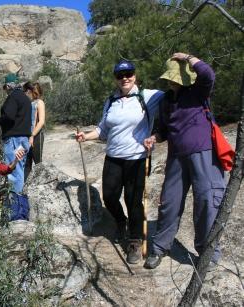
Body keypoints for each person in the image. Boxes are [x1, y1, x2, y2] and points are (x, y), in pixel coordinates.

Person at [75, 60, 164, 264]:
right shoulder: (111, 101)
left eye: (129, 73)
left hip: (136, 159)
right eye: (120, 75)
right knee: (110, 197)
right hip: (113, 157)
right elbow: (102, 130)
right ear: (115, 78)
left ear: (135, 75)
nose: (125, 78)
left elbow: (174, 99)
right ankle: (120, 221)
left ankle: (134, 241)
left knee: (134, 201)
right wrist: (85, 136)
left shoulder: (149, 96)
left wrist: (158, 135)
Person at [143, 53, 225, 269]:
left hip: (204, 154)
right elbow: (163, 130)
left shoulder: (198, 91)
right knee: (168, 203)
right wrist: (155, 137)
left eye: (175, 78)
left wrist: (189, 58)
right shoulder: (166, 100)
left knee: (206, 202)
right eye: (170, 78)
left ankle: (208, 255)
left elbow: (208, 74)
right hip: (176, 157)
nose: (172, 82)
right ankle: (160, 248)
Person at [0, 73, 32, 194]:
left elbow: (9, 116)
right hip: (23, 139)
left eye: (5, 87)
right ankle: (18, 197)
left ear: (9, 86)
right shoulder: (26, 99)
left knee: (13, 170)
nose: (5, 90)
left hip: (13, 140)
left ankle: (15, 202)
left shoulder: (13, 97)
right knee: (19, 168)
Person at [23, 81, 46, 181]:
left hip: (37, 136)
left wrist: (32, 135)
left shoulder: (39, 103)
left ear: (32, 91)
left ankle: (39, 185)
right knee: (26, 164)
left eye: (27, 91)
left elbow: (41, 122)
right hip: (27, 136)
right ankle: (26, 187)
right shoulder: (29, 103)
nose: (26, 93)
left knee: (38, 163)